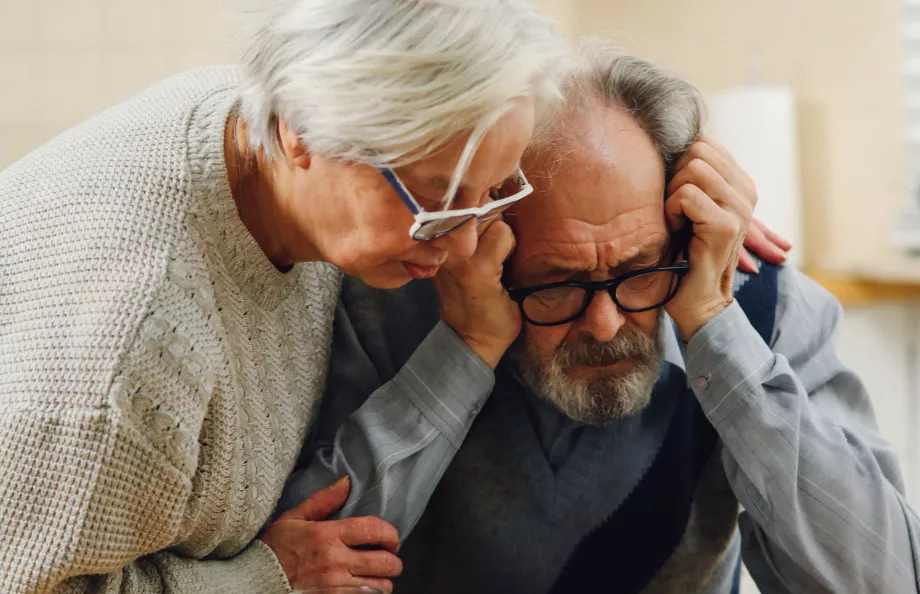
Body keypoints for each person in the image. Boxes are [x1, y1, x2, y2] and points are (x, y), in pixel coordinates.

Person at [279, 43, 920, 593]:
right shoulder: (393, 298)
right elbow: (305, 566)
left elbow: (880, 579)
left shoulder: (757, 305)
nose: (607, 324)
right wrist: (464, 348)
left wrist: (717, 332)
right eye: (558, 284)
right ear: (487, 241)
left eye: (639, 270)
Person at [0, 1, 575, 592]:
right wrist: (264, 579)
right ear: (300, 128)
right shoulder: (134, 356)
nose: (463, 245)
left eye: (493, 191)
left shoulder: (250, 138)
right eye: (437, 197)